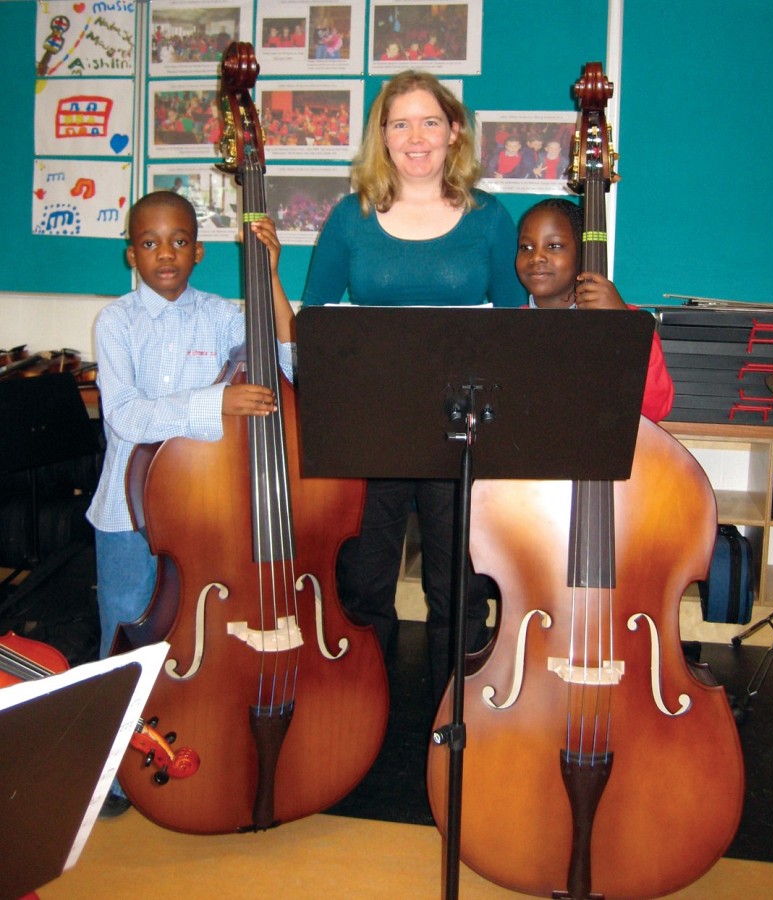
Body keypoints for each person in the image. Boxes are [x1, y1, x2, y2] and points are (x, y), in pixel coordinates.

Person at [300, 70, 526, 703]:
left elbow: (514, 327)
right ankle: (362, 711)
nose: (415, 137)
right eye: (400, 124)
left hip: (460, 432)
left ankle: (454, 719)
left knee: (459, 588)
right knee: (365, 583)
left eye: (430, 121)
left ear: (455, 132)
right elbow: (314, 319)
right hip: (372, 431)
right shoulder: (351, 217)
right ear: (383, 136)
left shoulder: (489, 218)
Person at [87, 190, 294, 814]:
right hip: (128, 516)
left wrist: (272, 279)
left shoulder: (224, 316)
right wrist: (215, 404)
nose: (165, 254)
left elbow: (285, 363)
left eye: (179, 241)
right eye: (149, 243)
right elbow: (126, 418)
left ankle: (188, 746)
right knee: (125, 640)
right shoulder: (116, 321)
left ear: (200, 251)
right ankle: (114, 776)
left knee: (189, 648)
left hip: (202, 514)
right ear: (131, 253)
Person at [515, 197, 673, 421]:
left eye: (554, 246)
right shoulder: (506, 328)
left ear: (582, 254)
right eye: (526, 247)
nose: (536, 257)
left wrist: (623, 325)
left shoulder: (629, 322)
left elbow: (656, 408)